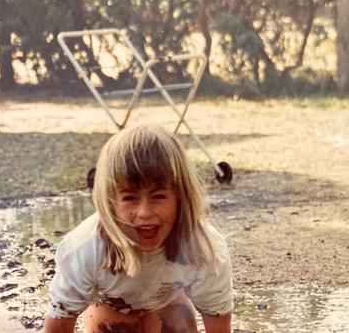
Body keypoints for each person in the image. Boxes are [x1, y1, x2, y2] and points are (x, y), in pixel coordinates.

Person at [44, 125, 233, 333]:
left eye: (158, 196)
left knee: (178, 327)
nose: (144, 213)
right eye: (130, 198)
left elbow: (217, 318)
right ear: (110, 201)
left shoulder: (205, 248)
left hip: (168, 303)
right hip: (110, 306)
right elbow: (60, 321)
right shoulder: (84, 248)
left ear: (181, 196)